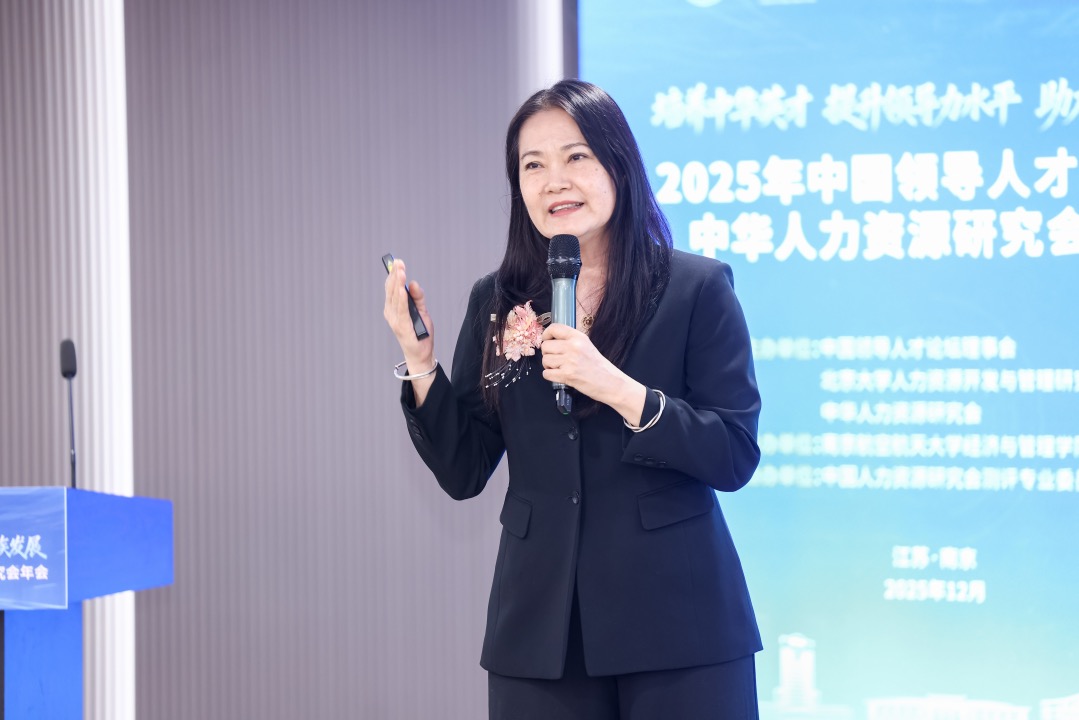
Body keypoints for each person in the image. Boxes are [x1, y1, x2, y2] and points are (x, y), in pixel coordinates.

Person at [383, 79, 762, 720]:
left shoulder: (695, 288)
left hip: (680, 624)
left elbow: (733, 453)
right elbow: (464, 469)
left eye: (576, 156)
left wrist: (617, 388)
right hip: (541, 633)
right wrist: (420, 363)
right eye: (533, 166)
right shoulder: (498, 300)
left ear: (619, 165)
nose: (554, 181)